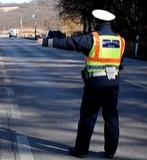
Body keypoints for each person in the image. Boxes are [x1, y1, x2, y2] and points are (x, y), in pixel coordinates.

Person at [51, 9, 125, 159]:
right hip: (113, 85)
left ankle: (81, 151)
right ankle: (110, 152)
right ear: (109, 23)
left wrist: (48, 41)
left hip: (95, 85)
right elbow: (119, 63)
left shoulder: (94, 38)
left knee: (88, 118)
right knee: (111, 118)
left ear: (95, 22)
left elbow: (70, 43)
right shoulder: (120, 40)